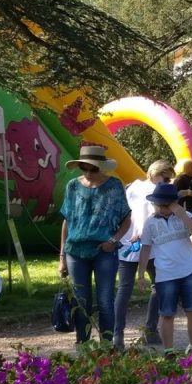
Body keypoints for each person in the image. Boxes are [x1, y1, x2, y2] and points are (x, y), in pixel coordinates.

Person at [59, 146, 131, 346]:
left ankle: (107, 346)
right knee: (81, 303)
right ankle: (83, 347)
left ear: (102, 168)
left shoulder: (115, 186)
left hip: (104, 251)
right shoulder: (72, 186)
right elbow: (67, 221)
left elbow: (127, 218)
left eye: (93, 169)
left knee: (105, 300)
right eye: (84, 168)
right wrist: (61, 258)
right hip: (76, 251)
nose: (88, 173)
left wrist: (114, 241)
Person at [137, 183, 192, 352]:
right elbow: (145, 248)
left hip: (189, 271)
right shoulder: (150, 222)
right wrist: (140, 275)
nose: (161, 208)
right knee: (167, 314)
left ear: (175, 203)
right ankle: (169, 350)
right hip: (165, 275)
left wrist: (182, 215)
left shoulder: (186, 215)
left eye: (165, 205)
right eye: (158, 204)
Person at [116, 160, 173, 349]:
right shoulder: (153, 190)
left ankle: (119, 333)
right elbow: (144, 214)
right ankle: (148, 329)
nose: (167, 182)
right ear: (156, 174)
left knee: (126, 288)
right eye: (165, 178)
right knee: (158, 285)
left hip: (130, 243)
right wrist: (140, 231)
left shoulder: (133, 186)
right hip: (143, 243)